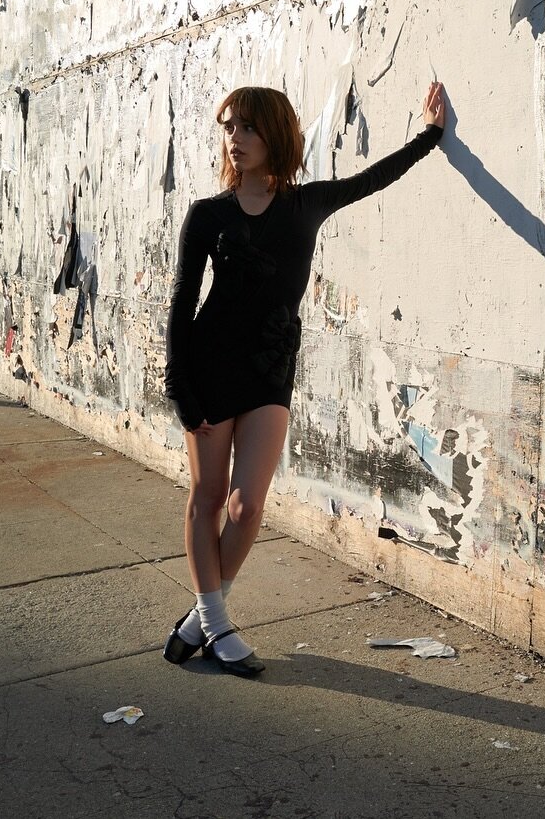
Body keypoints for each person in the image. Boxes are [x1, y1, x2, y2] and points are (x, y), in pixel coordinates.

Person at [162, 81, 448, 676]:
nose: (235, 137)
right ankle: (215, 622)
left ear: (274, 133)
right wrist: (179, 386)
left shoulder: (307, 204)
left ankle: (202, 619)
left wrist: (429, 136)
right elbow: (182, 304)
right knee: (209, 497)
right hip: (210, 369)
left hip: (271, 370)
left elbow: (373, 178)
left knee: (247, 506)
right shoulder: (207, 215)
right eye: (228, 127)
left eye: (247, 126)